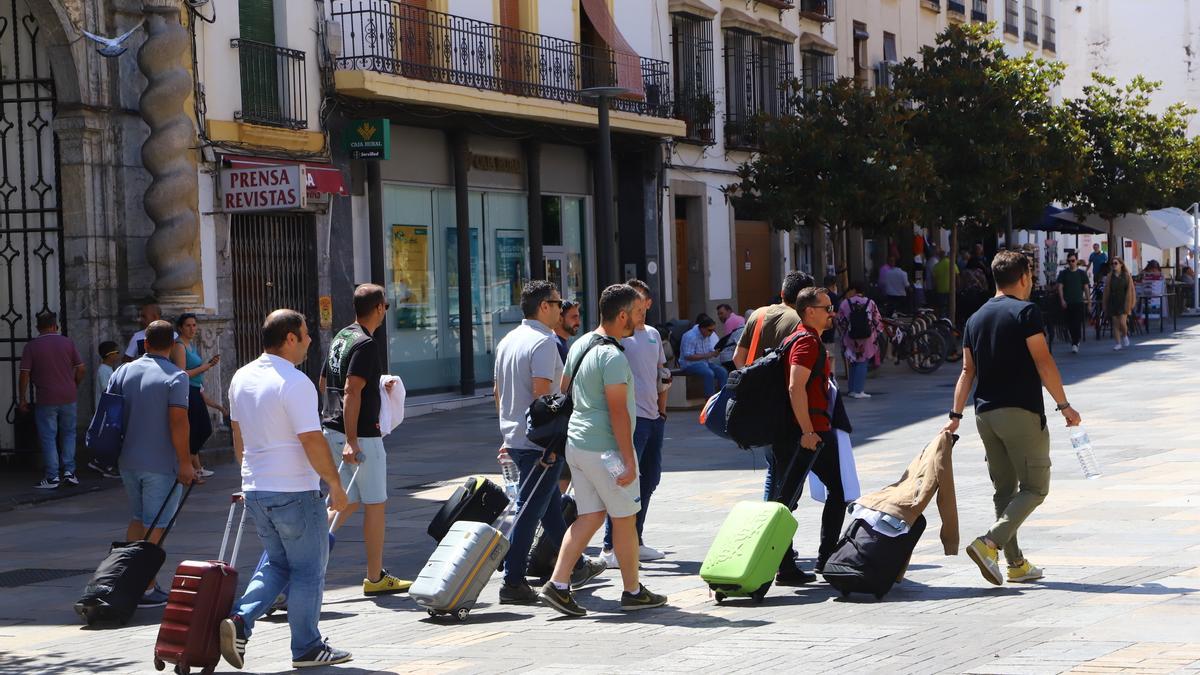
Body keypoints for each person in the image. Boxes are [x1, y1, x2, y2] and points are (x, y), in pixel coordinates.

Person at [221, 310, 352, 670]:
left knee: (279, 564)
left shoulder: (241, 377)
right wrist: (336, 485)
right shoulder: (294, 382)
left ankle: (240, 621)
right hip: (293, 490)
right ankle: (307, 646)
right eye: (306, 334)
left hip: (257, 488)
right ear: (290, 338)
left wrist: (251, 474)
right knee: (310, 568)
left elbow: (238, 436)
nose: (310, 340)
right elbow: (311, 439)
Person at [945, 251, 1082, 587]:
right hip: (1020, 411)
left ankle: (1016, 564)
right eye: (1031, 275)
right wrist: (1064, 405)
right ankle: (988, 543)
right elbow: (1043, 361)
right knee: (1035, 486)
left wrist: (955, 415)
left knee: (1004, 489)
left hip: (984, 414)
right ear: (1023, 277)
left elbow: (967, 371)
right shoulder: (1026, 312)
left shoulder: (975, 319)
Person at [539, 284, 667, 617]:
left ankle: (559, 584)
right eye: (638, 313)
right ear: (622, 315)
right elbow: (618, 412)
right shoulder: (611, 356)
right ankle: (633, 590)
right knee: (625, 517)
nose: (641, 321)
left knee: (591, 516)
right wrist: (628, 459)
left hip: (577, 446)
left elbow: (564, 389)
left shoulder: (581, 343)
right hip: (605, 450)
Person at [494, 280, 604, 604]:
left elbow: (498, 393)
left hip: (516, 436)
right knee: (530, 511)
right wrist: (552, 444)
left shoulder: (509, 340)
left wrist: (506, 433)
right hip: (537, 442)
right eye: (557, 303)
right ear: (544, 306)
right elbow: (544, 397)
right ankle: (512, 581)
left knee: (548, 506)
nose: (561, 308)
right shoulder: (543, 343)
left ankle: (579, 565)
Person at [319, 284, 411, 597]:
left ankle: (302, 559)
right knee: (375, 504)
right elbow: (351, 390)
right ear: (378, 308)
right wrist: (353, 440)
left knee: (346, 501)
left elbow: (325, 382)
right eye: (385, 304)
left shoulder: (342, 337)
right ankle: (374, 577)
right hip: (360, 437)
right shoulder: (366, 344)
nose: (386, 310)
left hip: (332, 428)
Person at [732, 271, 820, 583]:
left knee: (775, 477)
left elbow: (737, 358)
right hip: (785, 414)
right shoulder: (798, 321)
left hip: (758, 412)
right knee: (785, 487)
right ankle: (778, 554)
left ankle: (778, 551)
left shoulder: (757, 314)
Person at [107, 320, 193, 608]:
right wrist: (186, 463)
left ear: (145, 344)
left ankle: (129, 577)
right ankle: (145, 585)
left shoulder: (122, 372)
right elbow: (178, 421)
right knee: (157, 525)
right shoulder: (175, 377)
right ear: (172, 344)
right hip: (160, 463)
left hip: (128, 459)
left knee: (138, 518)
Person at [771, 286, 847, 578]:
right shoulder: (806, 343)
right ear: (809, 311)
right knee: (789, 500)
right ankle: (794, 562)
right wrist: (806, 431)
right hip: (806, 432)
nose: (832, 313)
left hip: (808, 430)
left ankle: (795, 562)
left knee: (792, 498)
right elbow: (795, 386)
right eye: (827, 308)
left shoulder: (802, 338)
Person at [599, 279, 669, 567]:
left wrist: (663, 412)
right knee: (624, 482)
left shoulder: (652, 334)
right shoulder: (619, 338)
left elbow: (661, 373)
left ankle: (635, 540)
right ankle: (610, 546)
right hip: (632, 419)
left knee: (649, 479)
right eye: (634, 305)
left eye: (642, 305)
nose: (639, 310)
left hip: (654, 418)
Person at [19, 311, 85, 490]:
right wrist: (74, 384)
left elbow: (24, 374)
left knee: (48, 436)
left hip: (46, 397)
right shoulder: (67, 342)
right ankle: (69, 472)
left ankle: (52, 476)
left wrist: (22, 398)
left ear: (37, 328)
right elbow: (81, 368)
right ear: (56, 326)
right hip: (68, 395)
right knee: (69, 434)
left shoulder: (31, 347)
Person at [177, 313, 225, 482]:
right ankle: (186, 467)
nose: (192, 329)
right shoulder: (179, 346)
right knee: (202, 429)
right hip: (188, 390)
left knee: (200, 430)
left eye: (194, 325)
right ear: (180, 328)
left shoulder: (190, 345)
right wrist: (206, 366)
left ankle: (192, 468)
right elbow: (182, 373)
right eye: (188, 325)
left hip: (196, 389)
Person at [836, 283, 882, 399]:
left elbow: (840, 321)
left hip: (850, 337)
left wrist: (844, 333)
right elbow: (877, 320)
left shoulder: (845, 303)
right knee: (862, 362)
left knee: (853, 363)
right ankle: (859, 390)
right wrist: (877, 333)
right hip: (866, 338)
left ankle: (852, 389)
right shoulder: (870, 303)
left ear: (854, 290)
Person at [88, 341, 123, 478]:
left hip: (111, 411)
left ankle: (101, 461)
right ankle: (105, 464)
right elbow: (108, 391)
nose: (119, 355)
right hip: (107, 412)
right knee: (109, 440)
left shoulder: (108, 370)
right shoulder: (104, 370)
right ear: (110, 355)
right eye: (116, 352)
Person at [677, 315, 727, 397]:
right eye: (710, 330)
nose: (712, 333)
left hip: (705, 363)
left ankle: (724, 398)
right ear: (702, 328)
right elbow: (688, 356)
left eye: (713, 330)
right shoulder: (690, 336)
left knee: (723, 372)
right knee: (709, 373)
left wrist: (715, 352)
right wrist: (708, 355)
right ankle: (709, 400)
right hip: (689, 365)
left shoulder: (706, 334)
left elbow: (709, 351)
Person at [124, 302, 185, 367]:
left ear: (155, 317)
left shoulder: (173, 336)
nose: (140, 320)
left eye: (144, 316)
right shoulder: (138, 337)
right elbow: (127, 359)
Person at [1056, 254, 1091, 354]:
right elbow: (1060, 287)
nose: (1071, 263)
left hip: (1078, 302)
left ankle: (1075, 342)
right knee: (1070, 323)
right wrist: (1062, 299)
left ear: (1077, 261)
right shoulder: (1064, 273)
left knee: (1077, 322)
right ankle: (1075, 340)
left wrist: (1089, 302)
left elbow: (1086, 288)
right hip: (1068, 302)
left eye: (1073, 260)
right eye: (1069, 261)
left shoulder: (1081, 273)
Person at [1103, 257, 1136, 351]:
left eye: (1116, 263)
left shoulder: (1126, 275)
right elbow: (1106, 290)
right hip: (1113, 301)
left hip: (1124, 301)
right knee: (1115, 323)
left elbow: (1131, 289)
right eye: (1112, 264)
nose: (1114, 265)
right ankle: (1118, 343)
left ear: (1121, 264)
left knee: (1122, 322)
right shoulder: (1110, 276)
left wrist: (1131, 301)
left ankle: (1125, 335)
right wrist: (1105, 302)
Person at [554, 299, 582, 363]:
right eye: (574, 317)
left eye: (578, 317)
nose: (578, 322)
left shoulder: (559, 343)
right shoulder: (557, 346)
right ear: (560, 319)